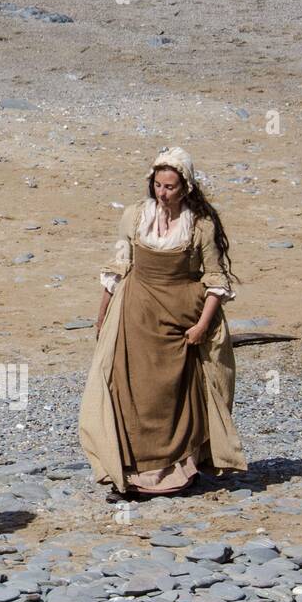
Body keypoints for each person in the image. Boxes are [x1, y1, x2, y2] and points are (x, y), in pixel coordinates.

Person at [79, 146, 247, 497]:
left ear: (185, 187)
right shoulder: (135, 216)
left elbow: (215, 280)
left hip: (181, 316)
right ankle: (134, 471)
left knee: (175, 393)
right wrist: (101, 316)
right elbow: (118, 266)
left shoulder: (201, 226)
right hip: (136, 311)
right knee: (132, 389)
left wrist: (203, 325)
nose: (162, 192)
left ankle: (180, 469)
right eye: (158, 185)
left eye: (170, 186)